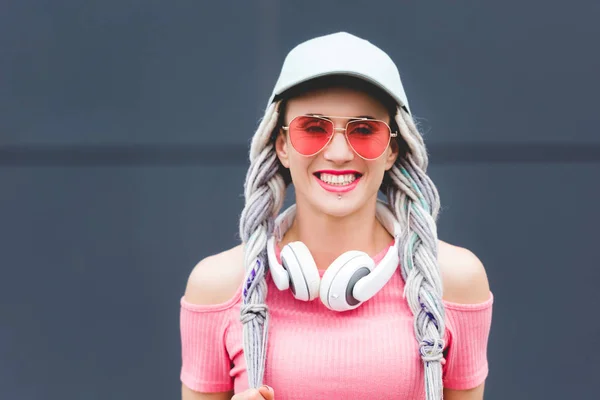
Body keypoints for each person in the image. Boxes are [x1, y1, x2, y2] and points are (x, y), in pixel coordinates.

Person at [180, 32, 493, 400]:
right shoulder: (217, 287)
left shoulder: (455, 281)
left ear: (392, 149)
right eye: (313, 128)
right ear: (281, 145)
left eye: (364, 130)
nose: (340, 153)